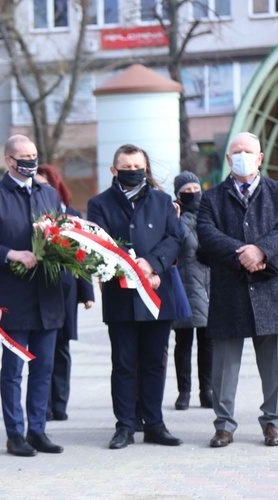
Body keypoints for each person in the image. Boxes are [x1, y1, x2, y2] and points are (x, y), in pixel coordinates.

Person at [0, 135, 66, 457]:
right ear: (9, 161)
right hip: (14, 297)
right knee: (13, 371)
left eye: (34, 155)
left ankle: (37, 430)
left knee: (43, 369)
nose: (30, 161)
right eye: (24, 156)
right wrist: (12, 253)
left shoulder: (48, 193)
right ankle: (15, 434)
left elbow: (62, 235)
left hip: (48, 296)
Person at [86, 144, 184, 450]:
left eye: (137, 167)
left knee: (155, 362)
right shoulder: (99, 203)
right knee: (124, 363)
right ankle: (125, 426)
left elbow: (175, 237)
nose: (133, 172)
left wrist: (152, 264)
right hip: (120, 296)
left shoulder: (162, 199)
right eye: (126, 168)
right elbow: (98, 245)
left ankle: (154, 424)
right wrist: (130, 268)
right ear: (114, 170)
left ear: (146, 168)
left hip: (157, 292)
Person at [197, 132, 278, 448]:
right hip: (229, 290)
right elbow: (206, 234)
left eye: (248, 151)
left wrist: (261, 250)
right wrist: (242, 254)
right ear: (228, 159)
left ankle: (272, 423)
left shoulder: (275, 192)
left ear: (260, 157)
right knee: (224, 367)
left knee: (273, 364)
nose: (242, 155)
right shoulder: (211, 197)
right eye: (236, 151)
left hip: (269, 288)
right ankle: (224, 425)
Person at [34, 164, 95, 422]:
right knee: (42, 348)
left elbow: (82, 255)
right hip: (38, 289)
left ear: (56, 186)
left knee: (61, 347)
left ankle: (59, 404)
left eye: (45, 185)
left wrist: (87, 291)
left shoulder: (70, 215)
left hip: (65, 289)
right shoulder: (33, 214)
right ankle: (43, 405)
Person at [171, 171, 213, 411]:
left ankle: (206, 391)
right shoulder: (174, 216)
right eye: (186, 192)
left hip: (209, 286)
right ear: (178, 195)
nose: (192, 195)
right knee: (183, 341)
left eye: (195, 190)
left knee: (208, 342)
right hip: (185, 285)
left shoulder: (210, 214)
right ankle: (184, 392)